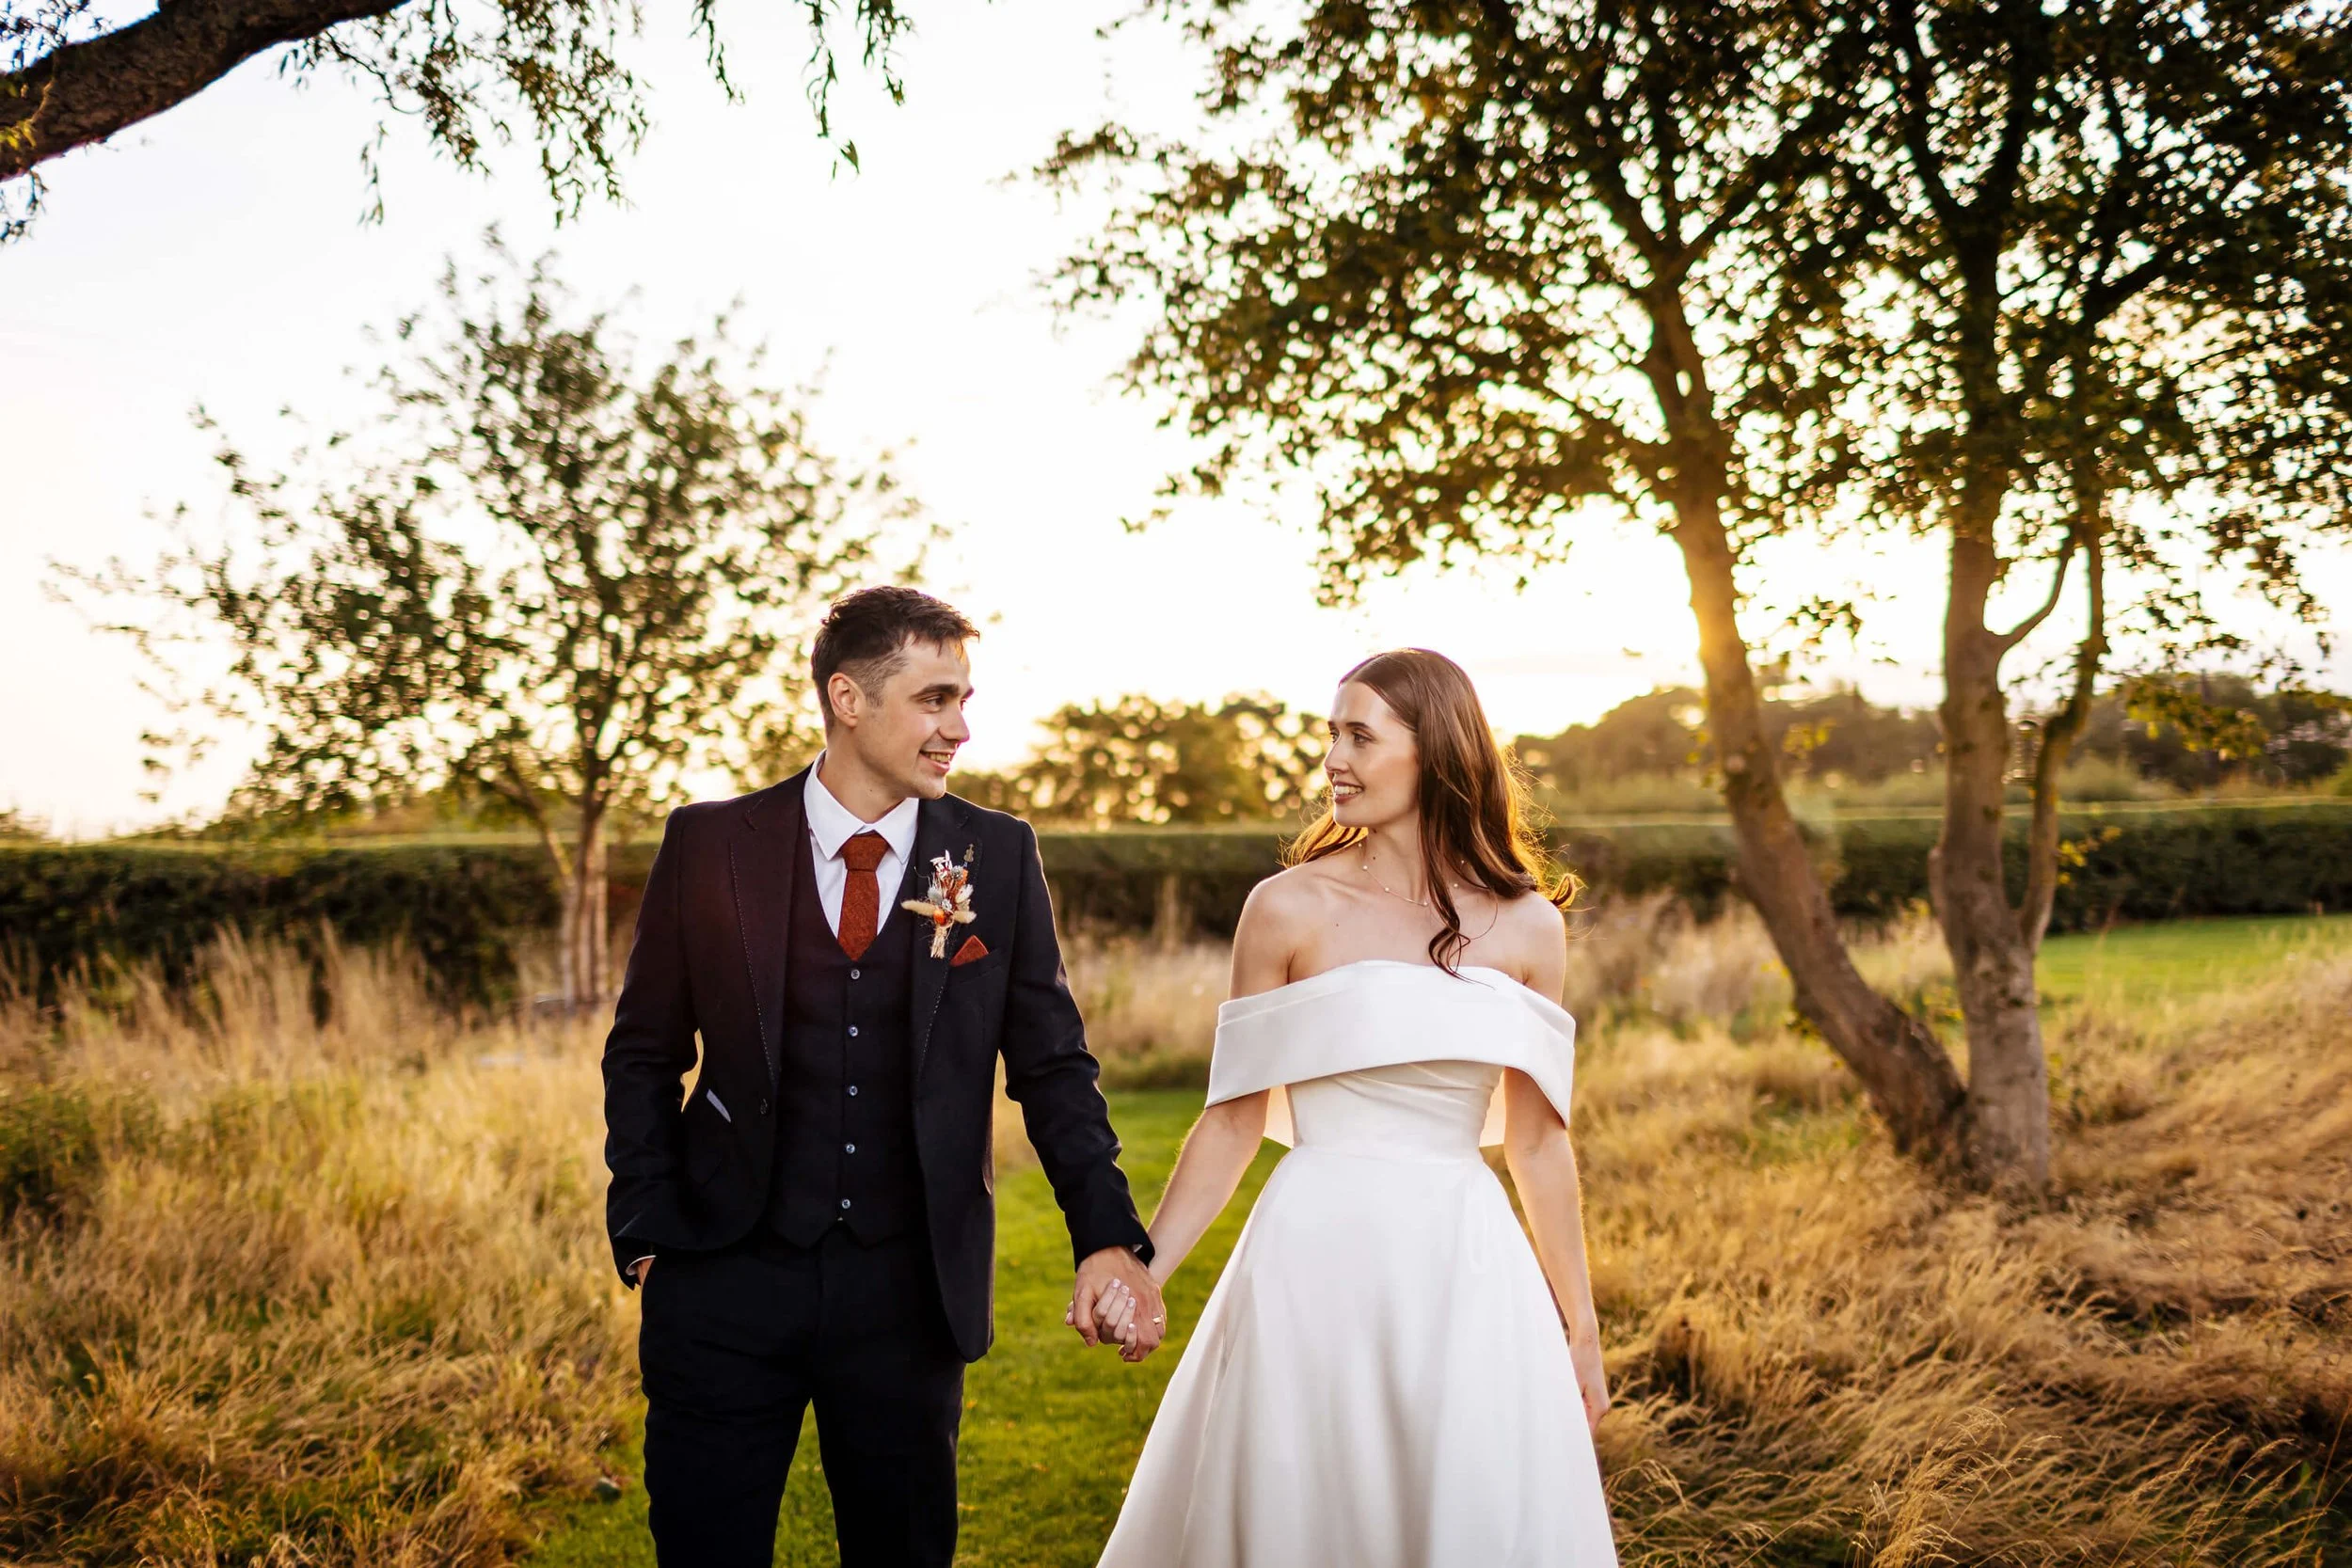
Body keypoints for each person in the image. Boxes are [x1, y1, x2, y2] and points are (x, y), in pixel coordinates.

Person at [600, 585, 1165, 1568]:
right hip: (723, 1275)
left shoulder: (995, 853)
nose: (959, 727)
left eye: (964, 699)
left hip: (908, 1289)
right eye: (935, 699)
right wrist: (646, 1223)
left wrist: (1106, 1233)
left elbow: (1053, 1063)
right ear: (848, 698)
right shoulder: (709, 843)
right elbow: (645, 1049)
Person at [1086, 647, 1618, 1567]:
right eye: (1330, 732)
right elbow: (1230, 1118)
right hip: (1309, 1254)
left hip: (1464, 1262)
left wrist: (1579, 1326)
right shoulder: (1285, 908)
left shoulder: (1531, 925)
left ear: (1438, 754)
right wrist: (1146, 1270)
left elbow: (1537, 1145)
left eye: (1360, 736)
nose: (1333, 756)